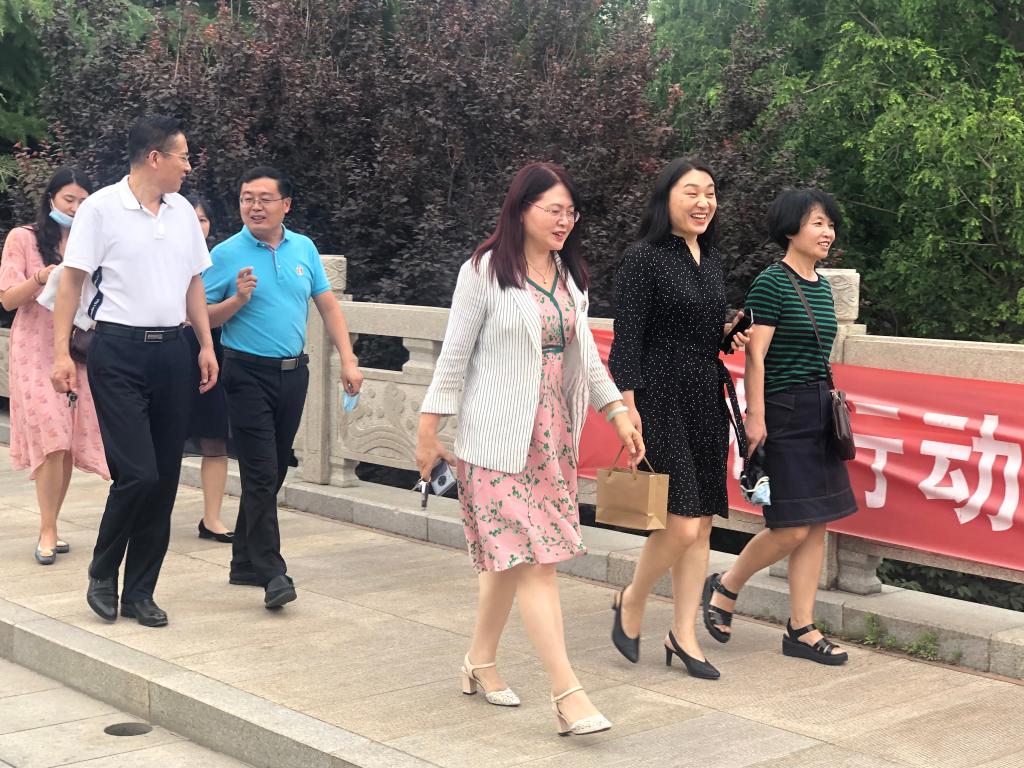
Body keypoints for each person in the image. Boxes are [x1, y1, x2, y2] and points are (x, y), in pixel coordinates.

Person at [416, 162, 644, 737]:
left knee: (509, 561)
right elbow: (454, 355)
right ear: (522, 210)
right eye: (554, 210)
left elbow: (585, 356)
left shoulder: (570, 276)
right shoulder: (484, 271)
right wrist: (427, 430)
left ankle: (479, 661)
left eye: (571, 212)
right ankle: (568, 695)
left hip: (552, 437)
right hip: (494, 439)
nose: (565, 221)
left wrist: (617, 412)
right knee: (536, 561)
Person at [50, 116, 218, 628]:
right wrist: (60, 354)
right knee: (138, 473)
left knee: (163, 479)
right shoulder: (101, 208)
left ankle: (141, 591)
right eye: (183, 157)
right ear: (154, 157)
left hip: (174, 353)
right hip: (118, 352)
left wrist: (205, 344)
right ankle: (103, 572)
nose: (188, 167)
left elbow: (193, 282)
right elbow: (71, 283)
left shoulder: (183, 213)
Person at [607, 158, 748, 679]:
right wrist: (628, 409)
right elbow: (628, 341)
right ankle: (632, 598)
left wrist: (728, 334)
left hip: (705, 397)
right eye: (691, 192)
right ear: (666, 198)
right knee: (682, 522)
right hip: (659, 398)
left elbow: (700, 333)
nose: (703, 202)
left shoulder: (710, 258)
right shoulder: (643, 259)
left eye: (710, 193)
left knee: (703, 522)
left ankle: (682, 634)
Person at [702, 188, 856, 665]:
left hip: (819, 411)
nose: (827, 232)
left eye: (830, 224)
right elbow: (756, 355)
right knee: (789, 527)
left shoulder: (821, 287)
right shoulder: (773, 282)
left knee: (817, 523)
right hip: (783, 410)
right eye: (817, 223)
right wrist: (756, 415)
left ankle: (801, 628)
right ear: (791, 229)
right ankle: (725, 586)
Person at [203, 166, 363, 610]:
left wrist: (349, 359)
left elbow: (328, 306)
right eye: (246, 198)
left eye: (264, 198)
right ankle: (272, 572)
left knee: (272, 471)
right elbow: (198, 314)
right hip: (245, 372)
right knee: (259, 471)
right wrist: (237, 299)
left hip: (294, 373)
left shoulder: (304, 248)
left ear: (285, 205)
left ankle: (243, 561)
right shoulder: (225, 254)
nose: (254, 206)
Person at [0, 167, 108, 565]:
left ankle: (52, 522)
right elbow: (7, 298)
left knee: (66, 441)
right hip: (34, 348)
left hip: (78, 349)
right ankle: (47, 529)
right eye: (69, 200)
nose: (76, 208)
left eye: (83, 201)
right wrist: (41, 278)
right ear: (51, 200)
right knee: (53, 435)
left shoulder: (92, 243)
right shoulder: (23, 237)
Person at [182, 196, 233, 543]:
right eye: (191, 218)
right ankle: (150, 515)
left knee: (215, 437)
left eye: (202, 220)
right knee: (164, 438)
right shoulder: (160, 256)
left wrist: (237, 300)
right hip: (169, 351)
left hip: (211, 353)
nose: (197, 226)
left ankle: (212, 519)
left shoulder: (221, 261)